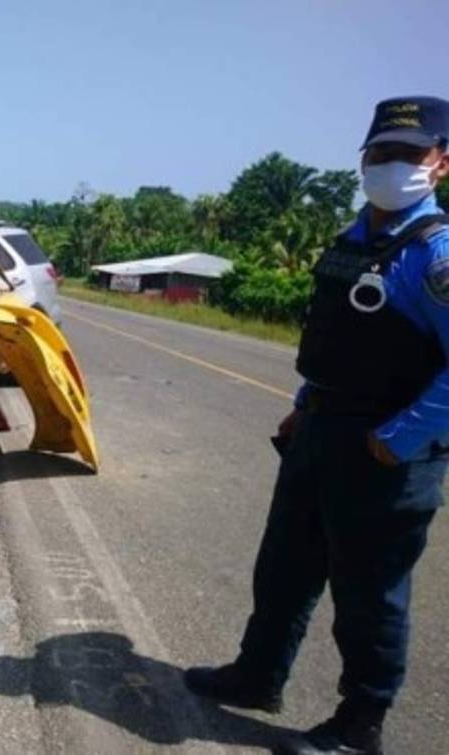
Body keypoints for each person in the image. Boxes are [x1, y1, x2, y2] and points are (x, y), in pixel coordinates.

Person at [184, 97, 449, 755]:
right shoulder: (353, 238)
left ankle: (361, 727)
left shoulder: (436, 254)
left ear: (440, 162)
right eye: (380, 151)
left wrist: (396, 441)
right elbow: (337, 338)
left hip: (387, 447)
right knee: (283, 569)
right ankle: (257, 675)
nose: (390, 164)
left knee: (368, 598)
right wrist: (306, 402)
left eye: (408, 153)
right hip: (322, 430)